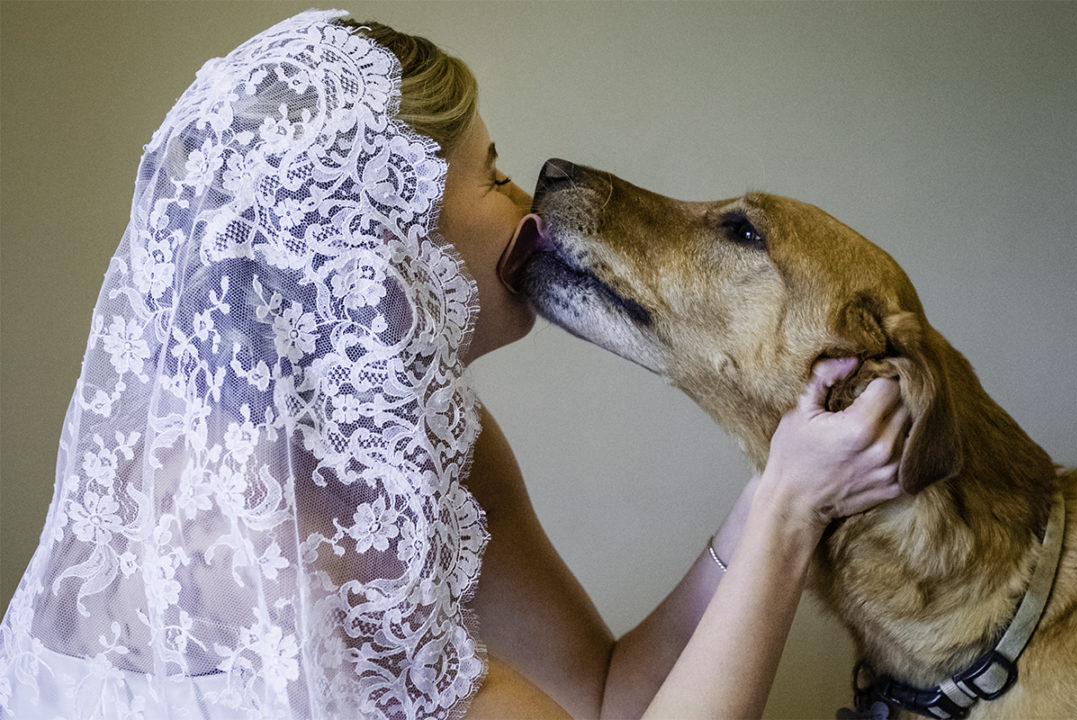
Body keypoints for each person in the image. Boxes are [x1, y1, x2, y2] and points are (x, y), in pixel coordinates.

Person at [0, 10, 908, 719]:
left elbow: (602, 701)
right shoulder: (267, 529)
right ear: (379, 240)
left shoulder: (440, 450)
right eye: (494, 170)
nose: (526, 199)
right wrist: (794, 514)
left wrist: (763, 492)